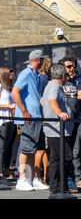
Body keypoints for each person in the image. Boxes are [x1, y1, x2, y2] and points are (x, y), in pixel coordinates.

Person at [12, 49, 49, 191]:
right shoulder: (26, 73)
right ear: (39, 59)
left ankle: (33, 178)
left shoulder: (37, 75)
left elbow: (35, 96)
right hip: (29, 117)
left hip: (37, 116)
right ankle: (22, 178)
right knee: (26, 149)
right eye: (43, 59)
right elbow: (16, 91)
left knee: (33, 149)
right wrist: (25, 112)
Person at [42, 64, 74, 196]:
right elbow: (51, 101)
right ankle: (57, 186)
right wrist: (59, 112)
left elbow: (42, 101)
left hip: (57, 130)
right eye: (66, 75)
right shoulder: (54, 86)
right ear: (62, 76)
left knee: (57, 157)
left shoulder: (51, 86)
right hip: (56, 130)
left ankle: (57, 186)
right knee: (64, 157)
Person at [59, 56, 81, 191]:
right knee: (66, 151)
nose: (71, 68)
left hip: (78, 118)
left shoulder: (79, 79)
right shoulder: (59, 81)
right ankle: (68, 179)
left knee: (77, 149)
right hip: (64, 121)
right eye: (68, 66)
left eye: (73, 66)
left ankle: (77, 177)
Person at [0, 66, 16, 180]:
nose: (12, 73)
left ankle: (5, 169)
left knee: (7, 146)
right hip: (1, 120)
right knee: (0, 147)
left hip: (10, 119)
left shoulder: (8, 87)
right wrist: (8, 106)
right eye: (10, 72)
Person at [38, 56, 52, 185]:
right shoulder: (45, 79)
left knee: (44, 149)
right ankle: (44, 176)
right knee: (43, 149)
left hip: (43, 116)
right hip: (45, 116)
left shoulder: (40, 78)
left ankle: (44, 176)